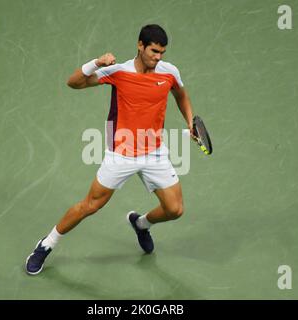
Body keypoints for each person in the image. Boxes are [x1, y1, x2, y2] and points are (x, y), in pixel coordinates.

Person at [25, 24, 196, 275]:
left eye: (162, 53)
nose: (158, 57)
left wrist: (191, 122)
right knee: (90, 206)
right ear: (140, 45)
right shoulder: (118, 72)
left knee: (175, 209)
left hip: (154, 152)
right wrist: (96, 62)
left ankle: (141, 224)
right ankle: (46, 244)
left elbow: (181, 95)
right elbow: (74, 83)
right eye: (154, 51)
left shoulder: (169, 72)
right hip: (121, 153)